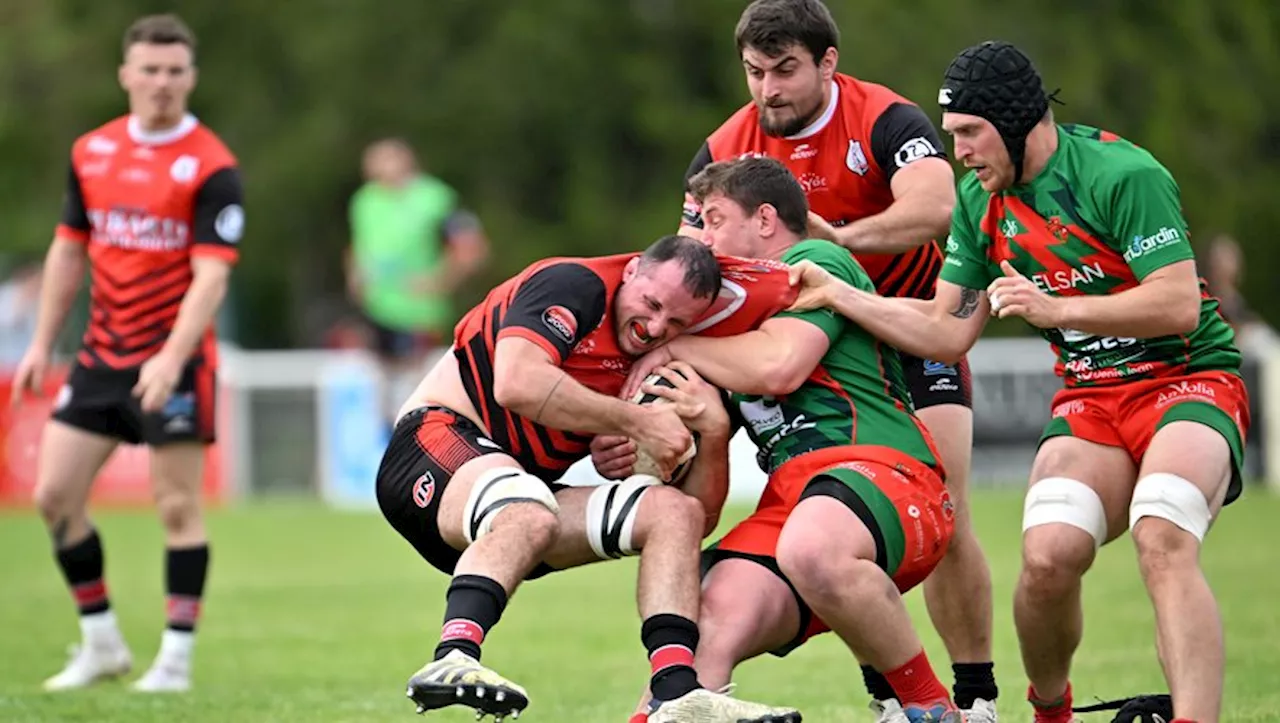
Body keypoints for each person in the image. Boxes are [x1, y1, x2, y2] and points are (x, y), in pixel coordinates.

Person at [786, 40, 1248, 723]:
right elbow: (947, 329)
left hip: (1188, 382)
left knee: (1162, 534)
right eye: (952, 137)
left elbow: (1178, 302)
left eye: (970, 134)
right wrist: (840, 294)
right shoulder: (979, 202)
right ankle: (1050, 711)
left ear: (1016, 122)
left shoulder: (1120, 173)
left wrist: (1059, 308)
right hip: (1092, 400)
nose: (960, 153)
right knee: (1046, 560)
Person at [634, 3, 1000, 715]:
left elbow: (935, 208)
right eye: (754, 73)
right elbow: (690, 266)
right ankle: (891, 691)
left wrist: (837, 246)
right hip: (794, 332)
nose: (768, 89)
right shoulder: (726, 150)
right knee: (819, 516)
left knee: (943, 508)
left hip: (906, 324)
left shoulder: (883, 118)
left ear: (827, 63)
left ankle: (973, 695)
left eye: (785, 71)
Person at [375, 235, 801, 722]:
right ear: (633, 270)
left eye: (677, 322)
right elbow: (516, 383)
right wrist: (631, 421)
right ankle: (453, 659)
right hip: (431, 448)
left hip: (512, 513)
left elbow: (700, 519)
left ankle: (678, 694)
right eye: (652, 303)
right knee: (528, 508)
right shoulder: (573, 284)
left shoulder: (670, 362)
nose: (655, 327)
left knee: (673, 513)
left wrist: (715, 431)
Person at [627, 156, 964, 723]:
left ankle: (929, 706)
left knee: (811, 546)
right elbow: (700, 512)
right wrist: (698, 432)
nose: (701, 240)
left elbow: (780, 366)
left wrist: (671, 349)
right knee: (694, 628)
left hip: (887, 475)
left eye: (712, 219)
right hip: (794, 506)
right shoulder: (715, 322)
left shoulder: (813, 261)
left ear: (764, 220)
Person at [10, 14, 243, 692]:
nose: (162, 83)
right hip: (99, 357)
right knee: (54, 495)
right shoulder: (92, 152)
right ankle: (102, 641)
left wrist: (171, 357)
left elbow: (212, 275)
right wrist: (40, 341)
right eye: (149, 69)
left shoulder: (211, 165)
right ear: (126, 74)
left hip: (176, 361)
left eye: (174, 71)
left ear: (191, 78)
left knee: (175, 506)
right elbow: (68, 248)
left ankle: (174, 657)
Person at [345, 137, 490, 427]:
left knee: (418, 396)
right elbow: (359, 246)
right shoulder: (365, 200)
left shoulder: (435, 198)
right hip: (377, 309)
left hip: (419, 313)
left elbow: (472, 247)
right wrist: (355, 274)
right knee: (383, 400)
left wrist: (440, 280)